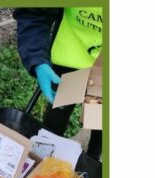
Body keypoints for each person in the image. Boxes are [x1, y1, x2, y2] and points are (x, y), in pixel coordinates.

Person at [14, 7, 103, 159]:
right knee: (57, 116)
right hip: (69, 58)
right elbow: (34, 11)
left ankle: (93, 158)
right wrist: (37, 60)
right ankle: (43, 157)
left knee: (98, 118)